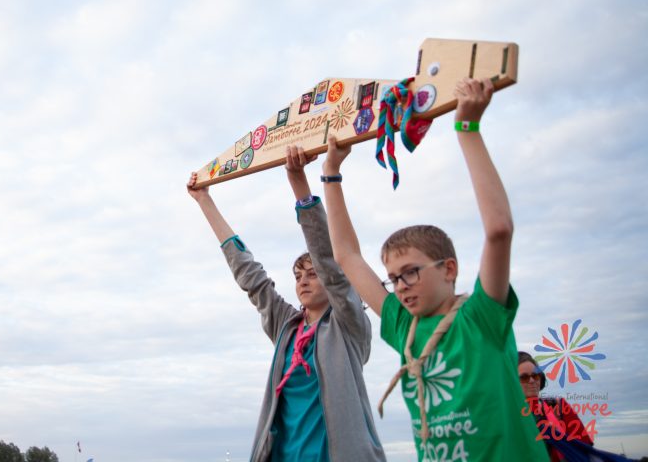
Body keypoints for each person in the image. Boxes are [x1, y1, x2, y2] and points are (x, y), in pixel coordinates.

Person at [320, 77, 548, 460]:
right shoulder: (402, 326)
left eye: (410, 272)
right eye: (393, 279)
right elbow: (346, 256)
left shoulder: (482, 318)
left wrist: (467, 128)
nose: (400, 286)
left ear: (449, 269)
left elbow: (498, 230)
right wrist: (330, 171)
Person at [186, 145, 386, 462]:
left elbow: (329, 262)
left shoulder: (348, 326)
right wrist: (204, 200)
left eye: (312, 274)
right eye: (297, 275)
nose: (303, 280)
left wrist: (298, 184)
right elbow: (250, 277)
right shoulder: (286, 328)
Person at [518, 351, 594, 461]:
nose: (532, 380)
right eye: (524, 377)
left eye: (535, 376)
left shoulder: (559, 406)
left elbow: (584, 449)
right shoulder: (505, 415)